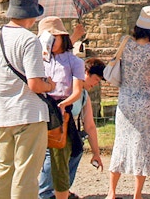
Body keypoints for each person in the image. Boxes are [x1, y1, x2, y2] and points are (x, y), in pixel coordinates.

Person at [0, 0, 56, 199]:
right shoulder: (29, 40)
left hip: (5, 112)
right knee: (26, 172)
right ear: (32, 15)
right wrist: (49, 86)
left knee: (4, 168)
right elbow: (35, 84)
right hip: (29, 113)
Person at [107, 5, 150, 199]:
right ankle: (137, 193)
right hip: (145, 99)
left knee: (120, 143)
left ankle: (111, 191)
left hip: (125, 98)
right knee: (142, 144)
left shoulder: (127, 43)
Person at [39, 57, 105, 199]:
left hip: (65, 130)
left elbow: (90, 126)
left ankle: (62, 189)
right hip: (49, 128)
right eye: (96, 79)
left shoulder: (83, 95)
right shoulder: (66, 87)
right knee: (53, 155)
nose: (96, 84)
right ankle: (44, 192)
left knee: (76, 150)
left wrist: (96, 153)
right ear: (85, 73)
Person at [38, 16, 86, 199]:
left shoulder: (75, 62)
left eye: (52, 38)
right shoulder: (41, 59)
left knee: (60, 161)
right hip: (41, 110)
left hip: (60, 113)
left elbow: (76, 91)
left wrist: (63, 104)